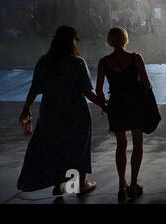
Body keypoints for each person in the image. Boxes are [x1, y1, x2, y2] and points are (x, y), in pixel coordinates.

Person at [17, 26, 106, 196]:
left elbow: (34, 88)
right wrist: (103, 105)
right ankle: (81, 184)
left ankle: (57, 185)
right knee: (78, 146)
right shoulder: (77, 62)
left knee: (55, 145)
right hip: (75, 113)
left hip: (50, 112)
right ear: (72, 41)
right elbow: (87, 91)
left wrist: (26, 108)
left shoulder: (44, 61)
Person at [96, 27, 153, 201]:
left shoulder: (104, 62)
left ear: (109, 41)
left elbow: (98, 90)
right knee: (137, 143)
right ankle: (134, 183)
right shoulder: (136, 58)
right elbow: (147, 83)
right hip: (135, 104)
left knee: (121, 145)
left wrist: (105, 106)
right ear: (125, 39)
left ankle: (122, 184)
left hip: (117, 105)